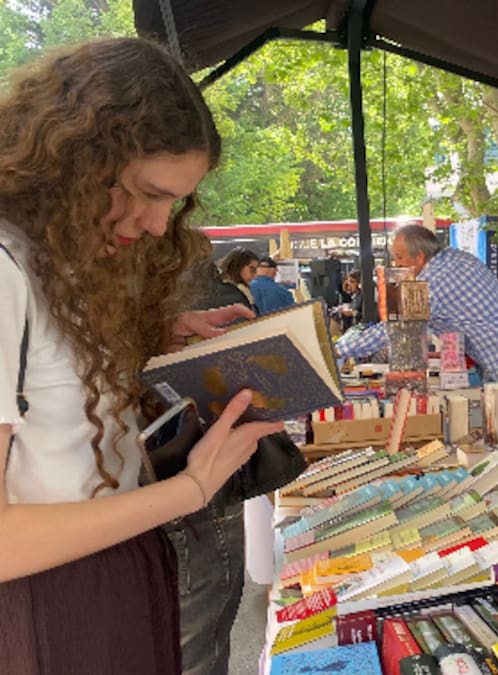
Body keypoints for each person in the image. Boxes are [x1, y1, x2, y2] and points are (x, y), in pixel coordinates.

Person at [0, 38, 282, 673]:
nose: (158, 224)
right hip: (49, 600)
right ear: (77, 161)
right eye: (149, 193)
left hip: (102, 573)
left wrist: (154, 335)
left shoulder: (51, 257)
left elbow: (44, 385)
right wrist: (193, 487)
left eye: (173, 202)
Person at [392, 225, 498, 410]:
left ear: (419, 256)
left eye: (399, 257)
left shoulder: (430, 284)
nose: (396, 264)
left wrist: (357, 347)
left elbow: (398, 328)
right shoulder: (455, 257)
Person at [217, 246, 259, 311]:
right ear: (238, 267)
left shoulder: (219, 287)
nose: (256, 275)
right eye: (252, 269)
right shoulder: (237, 295)